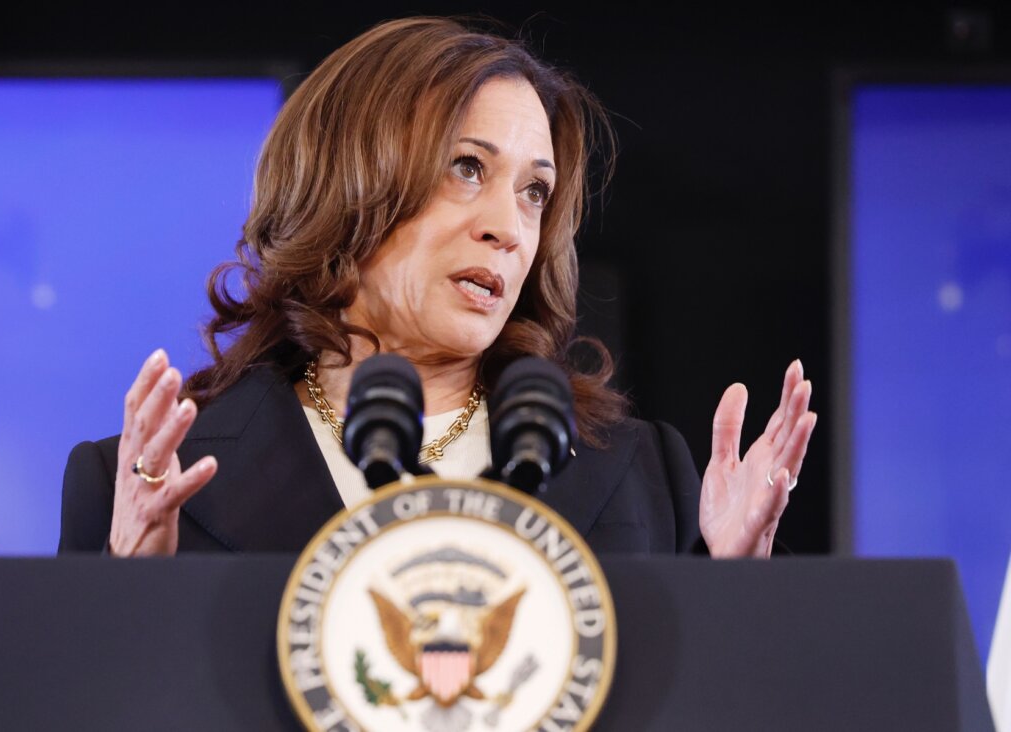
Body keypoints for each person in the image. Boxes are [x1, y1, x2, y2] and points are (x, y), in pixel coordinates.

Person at [58, 17, 816, 559]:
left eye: (534, 192)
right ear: (350, 181)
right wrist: (131, 603)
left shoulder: (645, 475)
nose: (511, 229)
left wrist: (734, 597)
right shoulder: (145, 482)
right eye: (467, 168)